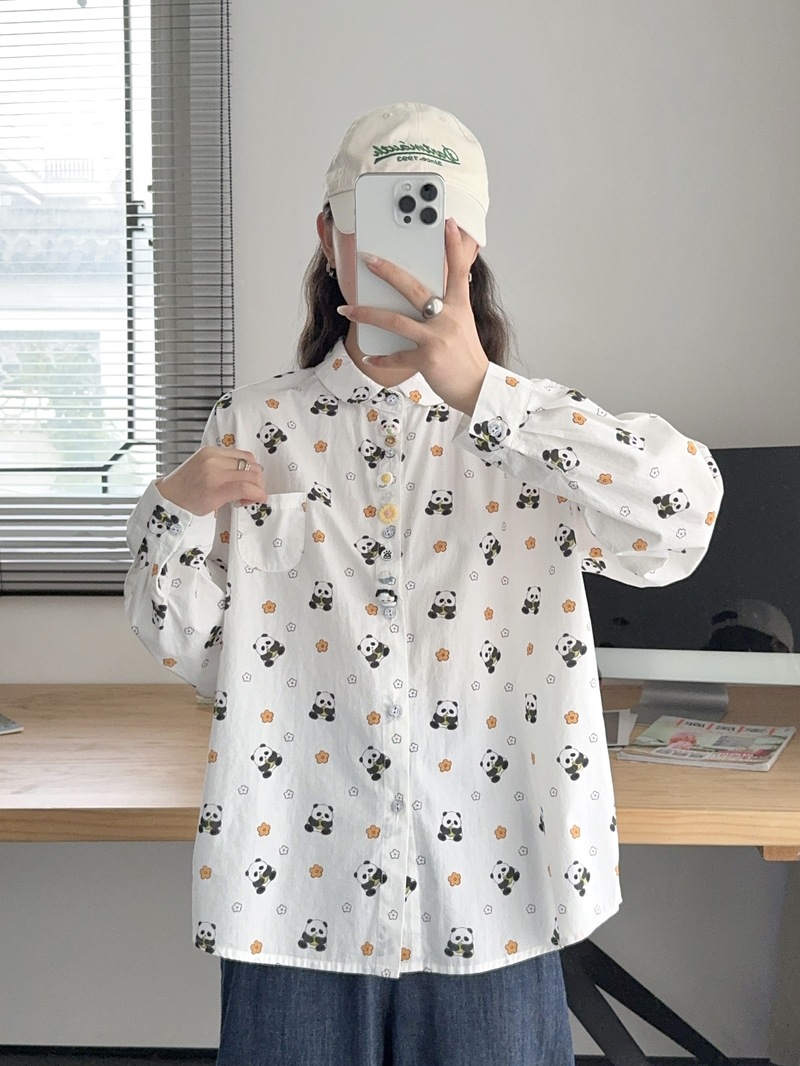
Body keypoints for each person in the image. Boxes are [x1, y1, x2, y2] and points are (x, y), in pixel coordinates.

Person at [124, 101, 724, 1066]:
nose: (397, 247)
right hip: (295, 889)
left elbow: (683, 524)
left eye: (432, 219)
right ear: (328, 234)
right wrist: (175, 509)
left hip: (497, 890)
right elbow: (188, 647)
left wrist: (492, 395)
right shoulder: (253, 425)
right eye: (370, 215)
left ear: (471, 246)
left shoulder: (539, 437)